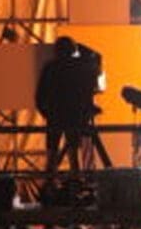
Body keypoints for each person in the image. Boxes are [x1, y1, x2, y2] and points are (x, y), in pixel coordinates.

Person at [36, 36, 103, 176]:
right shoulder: (79, 67)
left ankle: (50, 186)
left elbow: (40, 95)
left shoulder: (50, 68)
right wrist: (79, 46)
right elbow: (96, 57)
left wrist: (46, 113)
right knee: (74, 155)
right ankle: (75, 184)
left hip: (54, 116)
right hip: (74, 116)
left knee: (52, 155)